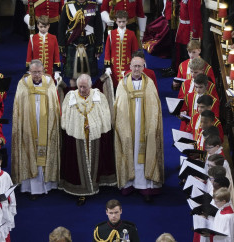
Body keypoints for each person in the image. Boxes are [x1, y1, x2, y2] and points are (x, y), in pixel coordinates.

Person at [60, 74, 116, 205]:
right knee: (78, 163)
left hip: (94, 136)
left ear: (90, 86)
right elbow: (66, 118)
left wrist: (94, 125)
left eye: (84, 87)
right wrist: (77, 126)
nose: (81, 90)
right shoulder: (71, 97)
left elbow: (105, 117)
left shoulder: (99, 97)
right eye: (79, 87)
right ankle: (81, 190)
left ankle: (96, 184)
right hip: (77, 137)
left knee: (96, 160)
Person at [114, 56, 164, 202]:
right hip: (128, 127)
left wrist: (152, 125)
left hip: (145, 126)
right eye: (134, 66)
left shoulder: (149, 84)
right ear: (130, 66)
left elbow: (155, 107)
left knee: (145, 152)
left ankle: (145, 186)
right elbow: (118, 105)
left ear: (144, 67)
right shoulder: (123, 83)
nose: (136, 69)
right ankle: (128, 183)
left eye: (139, 66)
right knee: (129, 150)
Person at [12, 59, 60, 200]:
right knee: (30, 152)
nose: (37, 75)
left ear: (43, 71)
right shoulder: (23, 84)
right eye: (34, 72)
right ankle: (31, 187)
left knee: (45, 151)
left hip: (45, 124)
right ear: (29, 72)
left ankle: (48, 184)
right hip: (28, 125)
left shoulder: (50, 83)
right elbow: (18, 105)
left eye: (39, 72)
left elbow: (54, 105)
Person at [58, 0, 103, 80]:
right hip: (72, 42)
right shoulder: (68, 6)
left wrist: (98, 47)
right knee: (72, 76)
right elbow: (61, 28)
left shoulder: (94, 6)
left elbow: (98, 27)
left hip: (89, 42)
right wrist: (62, 46)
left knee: (89, 76)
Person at [104, 10, 139, 87]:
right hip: (114, 66)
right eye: (119, 22)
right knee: (114, 86)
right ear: (116, 21)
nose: (121, 24)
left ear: (127, 21)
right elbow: (107, 51)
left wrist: (135, 65)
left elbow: (135, 51)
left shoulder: (132, 34)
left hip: (127, 65)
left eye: (123, 21)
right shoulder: (111, 34)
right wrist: (107, 66)